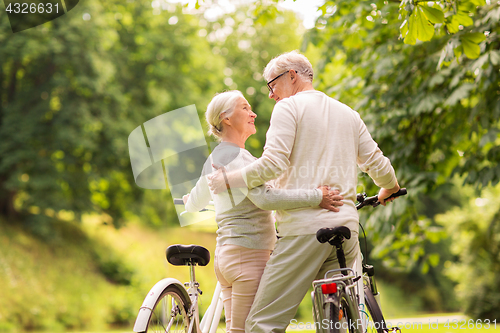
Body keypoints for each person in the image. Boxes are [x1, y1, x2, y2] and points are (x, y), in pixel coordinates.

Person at [207, 51, 400, 333]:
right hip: (346, 229)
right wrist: (389, 188)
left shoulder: (289, 108)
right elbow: (378, 163)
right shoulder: (348, 113)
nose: (271, 95)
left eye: (272, 85)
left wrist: (231, 180)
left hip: (303, 230)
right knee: (337, 319)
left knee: (262, 323)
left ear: (292, 76)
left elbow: (272, 165)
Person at [182, 90, 343, 333]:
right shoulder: (238, 157)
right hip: (248, 255)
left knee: (238, 329)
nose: (253, 113)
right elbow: (265, 199)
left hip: (227, 257)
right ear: (226, 118)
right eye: (245, 108)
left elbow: (194, 203)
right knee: (251, 329)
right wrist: (317, 196)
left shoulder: (216, 157)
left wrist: (187, 200)